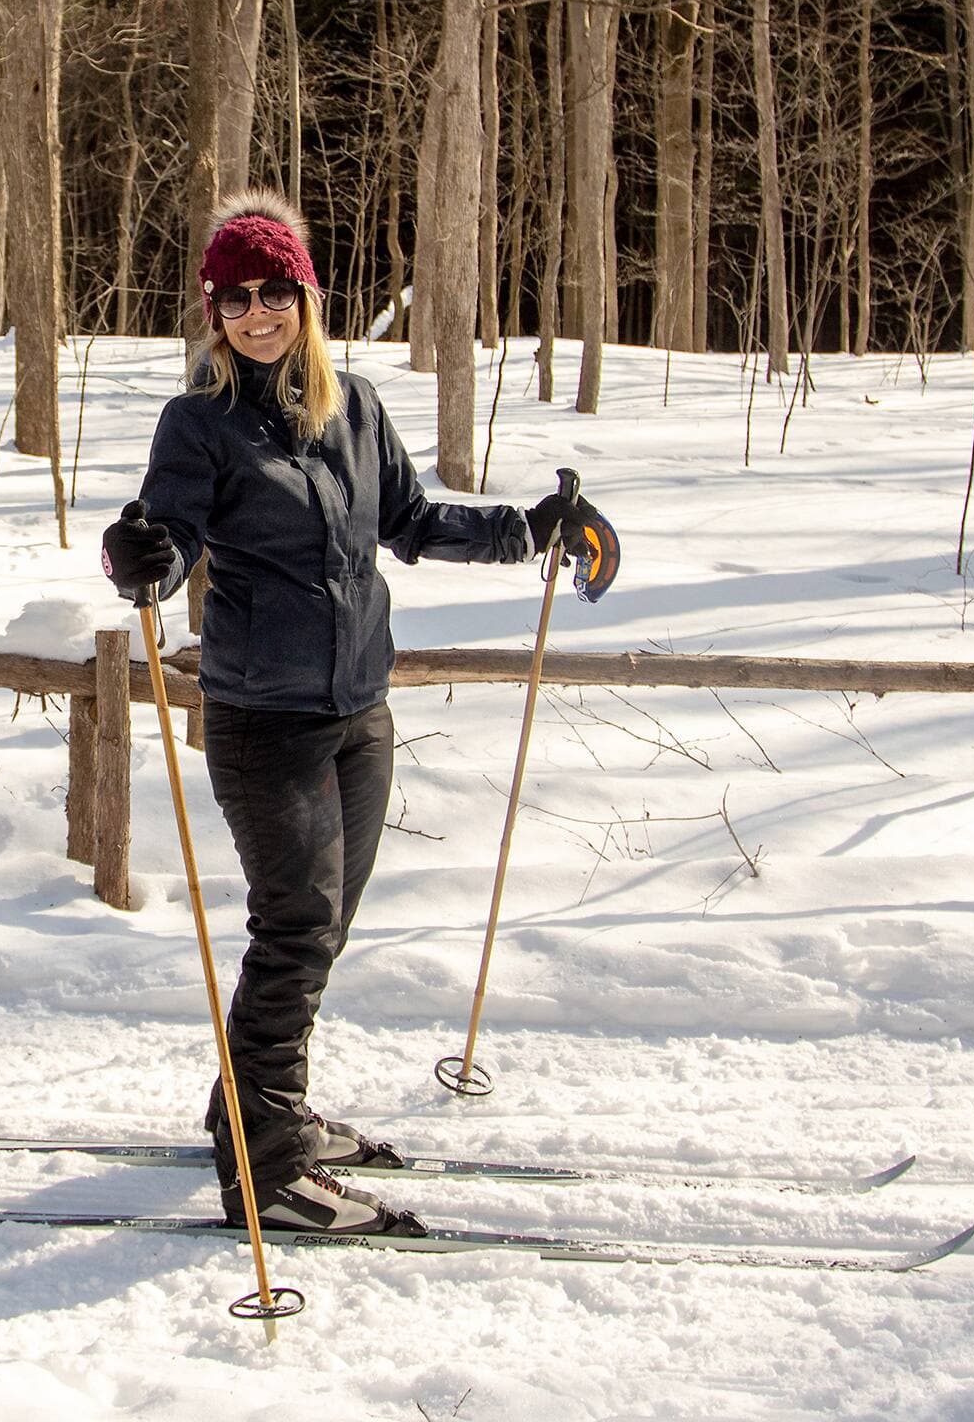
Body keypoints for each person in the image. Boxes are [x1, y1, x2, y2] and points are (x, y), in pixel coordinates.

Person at [100, 191, 602, 1235]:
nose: (254, 311)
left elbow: (409, 519)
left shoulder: (354, 406)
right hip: (259, 717)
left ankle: (248, 1108)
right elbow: (173, 530)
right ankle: (267, 1166)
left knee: (321, 928)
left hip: (354, 708)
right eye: (232, 297)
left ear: (304, 296)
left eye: (272, 290)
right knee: (293, 926)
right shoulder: (197, 422)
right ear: (213, 311)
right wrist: (142, 555)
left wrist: (525, 529)